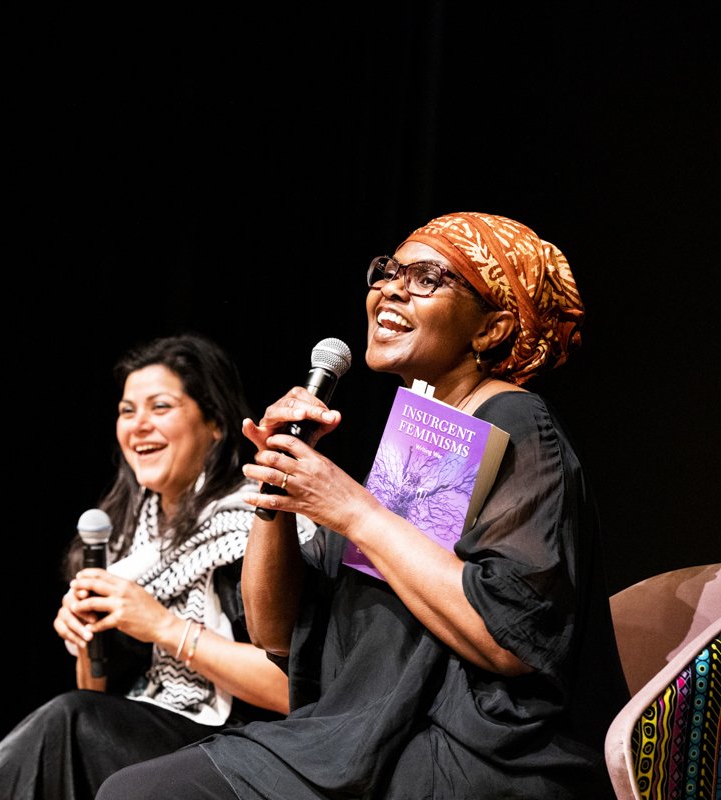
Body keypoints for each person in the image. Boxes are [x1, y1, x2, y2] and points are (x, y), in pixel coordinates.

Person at [99, 212, 629, 799]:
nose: (391, 288)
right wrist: (276, 492)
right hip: (367, 734)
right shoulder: (418, 436)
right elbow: (275, 631)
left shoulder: (516, 420)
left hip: (475, 752)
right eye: (389, 271)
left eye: (428, 278)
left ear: (493, 328)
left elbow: (510, 638)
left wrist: (352, 509)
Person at [0, 334, 311, 800]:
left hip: (247, 750)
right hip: (152, 739)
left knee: (68, 722)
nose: (139, 425)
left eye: (160, 407)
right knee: (72, 721)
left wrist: (162, 625)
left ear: (215, 424)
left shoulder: (261, 527)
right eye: (128, 411)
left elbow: (297, 689)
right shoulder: (129, 544)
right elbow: (97, 695)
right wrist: (89, 639)